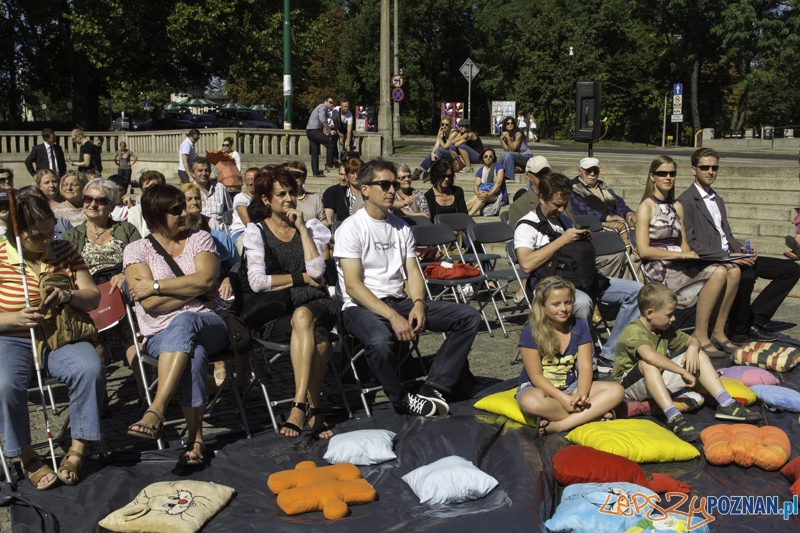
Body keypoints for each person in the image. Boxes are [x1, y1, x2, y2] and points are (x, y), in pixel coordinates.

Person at [334, 158, 481, 416]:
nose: (393, 190)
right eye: (385, 185)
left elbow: (413, 272)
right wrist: (392, 317)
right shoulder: (351, 228)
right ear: (365, 189)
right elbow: (353, 286)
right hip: (360, 307)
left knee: (468, 317)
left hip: (399, 301)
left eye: (394, 184)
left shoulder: (401, 227)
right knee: (380, 340)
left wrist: (418, 304)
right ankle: (401, 399)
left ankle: (435, 385)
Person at [0, 192, 104, 489]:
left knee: (89, 368)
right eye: (37, 235)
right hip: (12, 337)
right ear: (17, 233)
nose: (48, 238)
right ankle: (26, 454)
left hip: (59, 332)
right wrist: (14, 318)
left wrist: (69, 295)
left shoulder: (64, 250)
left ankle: (78, 448)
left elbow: (93, 296)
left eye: (50, 229)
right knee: (5, 384)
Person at [123, 184, 230, 466]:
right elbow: (149, 305)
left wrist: (156, 285)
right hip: (159, 334)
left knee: (185, 320)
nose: (185, 213)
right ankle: (196, 440)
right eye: (175, 210)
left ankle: (156, 408)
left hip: (209, 323)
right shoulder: (137, 250)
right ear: (155, 216)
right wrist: (191, 287)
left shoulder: (200, 239)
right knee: (193, 356)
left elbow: (207, 281)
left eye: (184, 206)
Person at [241, 168, 336, 437]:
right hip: (277, 311)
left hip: (317, 304)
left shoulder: (311, 227)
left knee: (304, 317)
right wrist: (300, 277)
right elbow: (258, 281)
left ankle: (297, 404)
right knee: (319, 340)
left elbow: (317, 272)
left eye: (291, 193)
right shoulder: (256, 232)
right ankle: (315, 408)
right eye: (281, 194)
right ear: (265, 200)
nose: (289, 199)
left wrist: (302, 228)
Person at [513, 173, 642, 368]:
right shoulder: (526, 226)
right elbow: (526, 264)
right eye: (557, 204)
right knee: (582, 303)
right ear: (542, 198)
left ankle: (610, 353)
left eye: (565, 204)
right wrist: (563, 240)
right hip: (550, 283)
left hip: (580, 277)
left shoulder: (563, 217)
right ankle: (587, 362)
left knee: (638, 292)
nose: (562, 209)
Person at [678, 148, 800, 344]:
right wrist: (729, 255)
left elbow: (727, 235)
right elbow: (691, 244)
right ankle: (738, 331)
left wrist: (742, 249)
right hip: (712, 261)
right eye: (705, 167)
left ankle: (755, 321)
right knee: (746, 275)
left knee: (790, 270)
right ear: (694, 169)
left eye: (714, 167)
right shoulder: (685, 201)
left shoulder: (717, 198)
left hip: (732, 255)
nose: (710, 171)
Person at [612, 283, 762, 442]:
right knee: (648, 364)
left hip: (654, 381)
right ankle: (673, 416)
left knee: (699, 354)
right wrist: (682, 371)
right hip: (626, 389)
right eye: (669, 315)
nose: (674, 318)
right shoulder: (634, 331)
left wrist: (692, 349)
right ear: (650, 313)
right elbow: (649, 357)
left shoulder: (664, 328)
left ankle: (726, 403)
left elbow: (693, 341)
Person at [636, 155, 739, 357]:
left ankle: (709, 332)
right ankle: (701, 334)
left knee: (726, 270)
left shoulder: (677, 206)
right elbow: (644, 251)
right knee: (718, 272)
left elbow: (683, 243)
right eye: (662, 173)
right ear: (652, 176)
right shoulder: (646, 206)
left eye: (672, 173)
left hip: (678, 259)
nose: (668, 177)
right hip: (657, 266)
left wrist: (688, 256)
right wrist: (681, 257)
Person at [61, 178, 141, 394]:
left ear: (112, 205)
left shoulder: (126, 230)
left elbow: (141, 260)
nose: (93, 204)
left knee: (132, 339)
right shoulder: (70, 237)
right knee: (94, 344)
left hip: (123, 298)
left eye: (100, 200)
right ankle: (99, 397)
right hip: (90, 299)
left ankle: (147, 396)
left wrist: (125, 274)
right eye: (88, 198)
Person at [517, 277, 624, 436]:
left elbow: (586, 367)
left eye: (567, 302)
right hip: (539, 387)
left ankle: (561, 425)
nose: (564, 308)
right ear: (542, 305)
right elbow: (536, 376)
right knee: (531, 403)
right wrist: (564, 399)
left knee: (617, 391)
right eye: (556, 304)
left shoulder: (579, 326)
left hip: (571, 386)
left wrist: (580, 395)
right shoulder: (531, 331)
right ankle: (591, 415)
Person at [570, 157, 636, 246]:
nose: (592, 174)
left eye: (595, 171)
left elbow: (619, 202)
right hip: (593, 224)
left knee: (636, 223)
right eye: (588, 171)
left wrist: (628, 212)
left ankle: (637, 253)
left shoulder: (603, 186)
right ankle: (630, 256)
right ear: (580, 171)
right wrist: (607, 217)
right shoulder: (573, 188)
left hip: (613, 220)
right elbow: (582, 211)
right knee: (622, 226)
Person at [190, 157, 232, 230]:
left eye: (206, 170)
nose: (204, 173)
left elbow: (230, 211)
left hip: (219, 232)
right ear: (193, 173)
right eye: (200, 170)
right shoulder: (190, 191)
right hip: (198, 231)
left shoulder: (221, 188)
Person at [509, 156, 550, 227]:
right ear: (528, 176)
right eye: (539, 173)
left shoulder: (560, 197)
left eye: (546, 172)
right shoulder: (518, 205)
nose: (544, 176)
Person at [465, 148, 507, 216]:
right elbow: (476, 185)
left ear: (494, 158)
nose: (488, 158)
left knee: (483, 196)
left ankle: (469, 214)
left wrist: (490, 193)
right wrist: (478, 193)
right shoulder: (481, 170)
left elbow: (498, 183)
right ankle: (460, 212)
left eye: (491, 156)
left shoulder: (499, 167)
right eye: (486, 156)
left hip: (497, 195)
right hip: (484, 193)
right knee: (477, 196)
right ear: (483, 158)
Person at [286, 161, 326, 225]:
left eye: (297, 176)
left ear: (304, 177)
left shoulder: (314, 197)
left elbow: (324, 221)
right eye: (291, 176)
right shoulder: (287, 199)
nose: (294, 179)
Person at [128, 171, 166, 238]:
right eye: (146, 189)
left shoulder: (171, 209)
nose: (150, 191)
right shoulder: (135, 212)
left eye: (153, 187)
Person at [306, 97, 337, 177]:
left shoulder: (319, 107)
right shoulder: (323, 107)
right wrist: (330, 130)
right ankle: (329, 165)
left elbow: (319, 121)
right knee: (330, 145)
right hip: (315, 131)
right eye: (330, 102)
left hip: (309, 131)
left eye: (332, 103)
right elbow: (323, 120)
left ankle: (315, 172)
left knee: (315, 152)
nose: (331, 104)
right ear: (325, 101)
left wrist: (323, 131)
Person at [230, 167, 258, 250]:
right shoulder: (240, 197)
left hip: (259, 231)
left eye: (253, 179)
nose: (250, 183)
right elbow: (248, 223)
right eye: (247, 180)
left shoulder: (264, 198)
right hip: (241, 231)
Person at [498, 116, 533, 183]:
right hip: (516, 156)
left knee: (509, 155)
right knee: (503, 154)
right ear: (505, 125)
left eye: (512, 123)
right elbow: (506, 150)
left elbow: (512, 149)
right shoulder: (507, 134)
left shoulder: (518, 134)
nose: (510, 125)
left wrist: (508, 138)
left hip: (526, 155)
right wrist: (501, 139)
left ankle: (509, 177)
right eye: (508, 123)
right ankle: (499, 175)